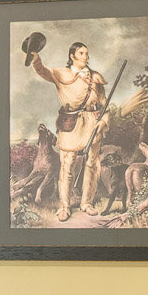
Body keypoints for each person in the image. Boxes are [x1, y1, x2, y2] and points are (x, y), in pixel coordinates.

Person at [29, 41, 109, 220]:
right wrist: (35, 58)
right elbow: (42, 70)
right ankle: (64, 206)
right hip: (70, 123)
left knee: (92, 164)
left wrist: (103, 121)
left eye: (86, 53)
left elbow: (104, 104)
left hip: (93, 123)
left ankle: (86, 203)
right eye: (81, 53)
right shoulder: (61, 74)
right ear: (72, 56)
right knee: (67, 164)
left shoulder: (95, 77)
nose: (85, 56)